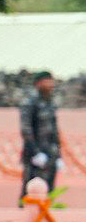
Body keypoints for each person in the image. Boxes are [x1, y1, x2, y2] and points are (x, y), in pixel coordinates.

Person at [19, 71, 60, 204]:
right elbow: (26, 130)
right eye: (47, 81)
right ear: (38, 83)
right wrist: (36, 153)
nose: (51, 84)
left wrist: (59, 155)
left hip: (50, 154)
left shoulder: (50, 102)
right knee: (30, 190)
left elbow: (54, 131)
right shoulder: (29, 102)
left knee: (49, 191)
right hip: (34, 157)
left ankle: (46, 221)